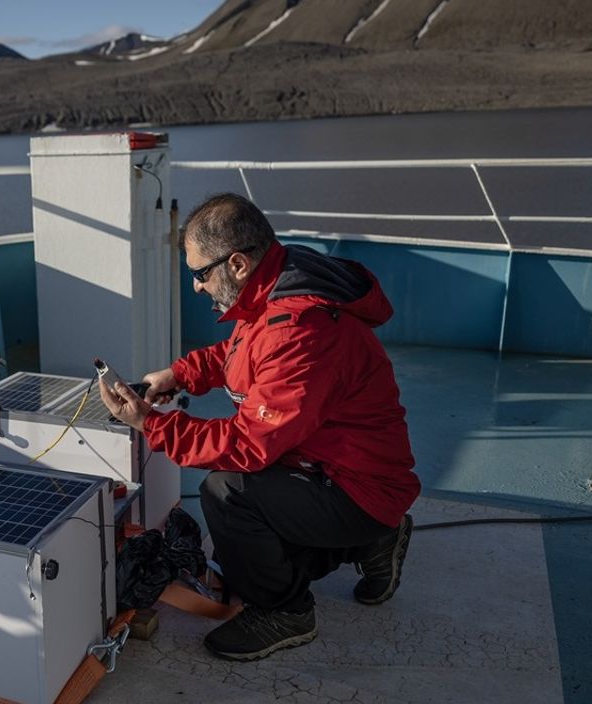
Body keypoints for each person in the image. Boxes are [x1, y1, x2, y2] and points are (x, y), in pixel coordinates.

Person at [99, 192, 419, 661]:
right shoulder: (277, 287)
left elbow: (248, 444)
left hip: (357, 487)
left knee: (227, 493)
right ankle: (374, 542)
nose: (196, 287)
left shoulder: (300, 330)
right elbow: (242, 355)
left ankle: (285, 612)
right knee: (245, 551)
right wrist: (179, 375)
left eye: (199, 274)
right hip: (330, 468)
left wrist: (152, 424)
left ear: (237, 264)